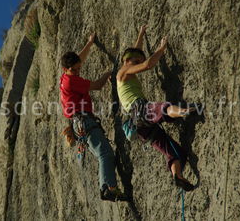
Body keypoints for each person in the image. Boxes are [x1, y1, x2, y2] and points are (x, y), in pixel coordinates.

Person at [116, 25, 195, 191]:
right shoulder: (123, 71)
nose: (137, 64)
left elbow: (135, 53)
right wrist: (162, 48)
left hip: (138, 125)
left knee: (174, 152)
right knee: (163, 108)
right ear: (126, 61)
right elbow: (148, 64)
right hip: (139, 110)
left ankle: (177, 176)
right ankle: (184, 112)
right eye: (135, 62)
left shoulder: (126, 70)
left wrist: (141, 34)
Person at [59, 33, 126, 201]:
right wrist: (108, 73)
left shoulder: (65, 77)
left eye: (78, 68)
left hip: (80, 122)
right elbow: (96, 85)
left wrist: (89, 44)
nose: (77, 72)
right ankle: (108, 188)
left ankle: (107, 187)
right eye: (74, 70)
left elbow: (78, 58)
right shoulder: (71, 80)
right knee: (105, 154)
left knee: (103, 153)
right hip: (84, 121)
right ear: (65, 69)